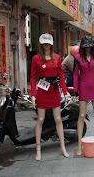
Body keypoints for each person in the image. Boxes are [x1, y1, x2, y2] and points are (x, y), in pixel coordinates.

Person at [30, 33, 69, 161]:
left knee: (58, 119)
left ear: (51, 44)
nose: (46, 45)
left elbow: (61, 76)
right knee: (40, 119)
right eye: (44, 42)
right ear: (41, 44)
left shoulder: (57, 58)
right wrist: (33, 95)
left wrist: (65, 92)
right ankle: (38, 149)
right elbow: (33, 77)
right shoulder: (36, 58)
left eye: (48, 42)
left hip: (54, 91)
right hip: (42, 91)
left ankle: (62, 147)